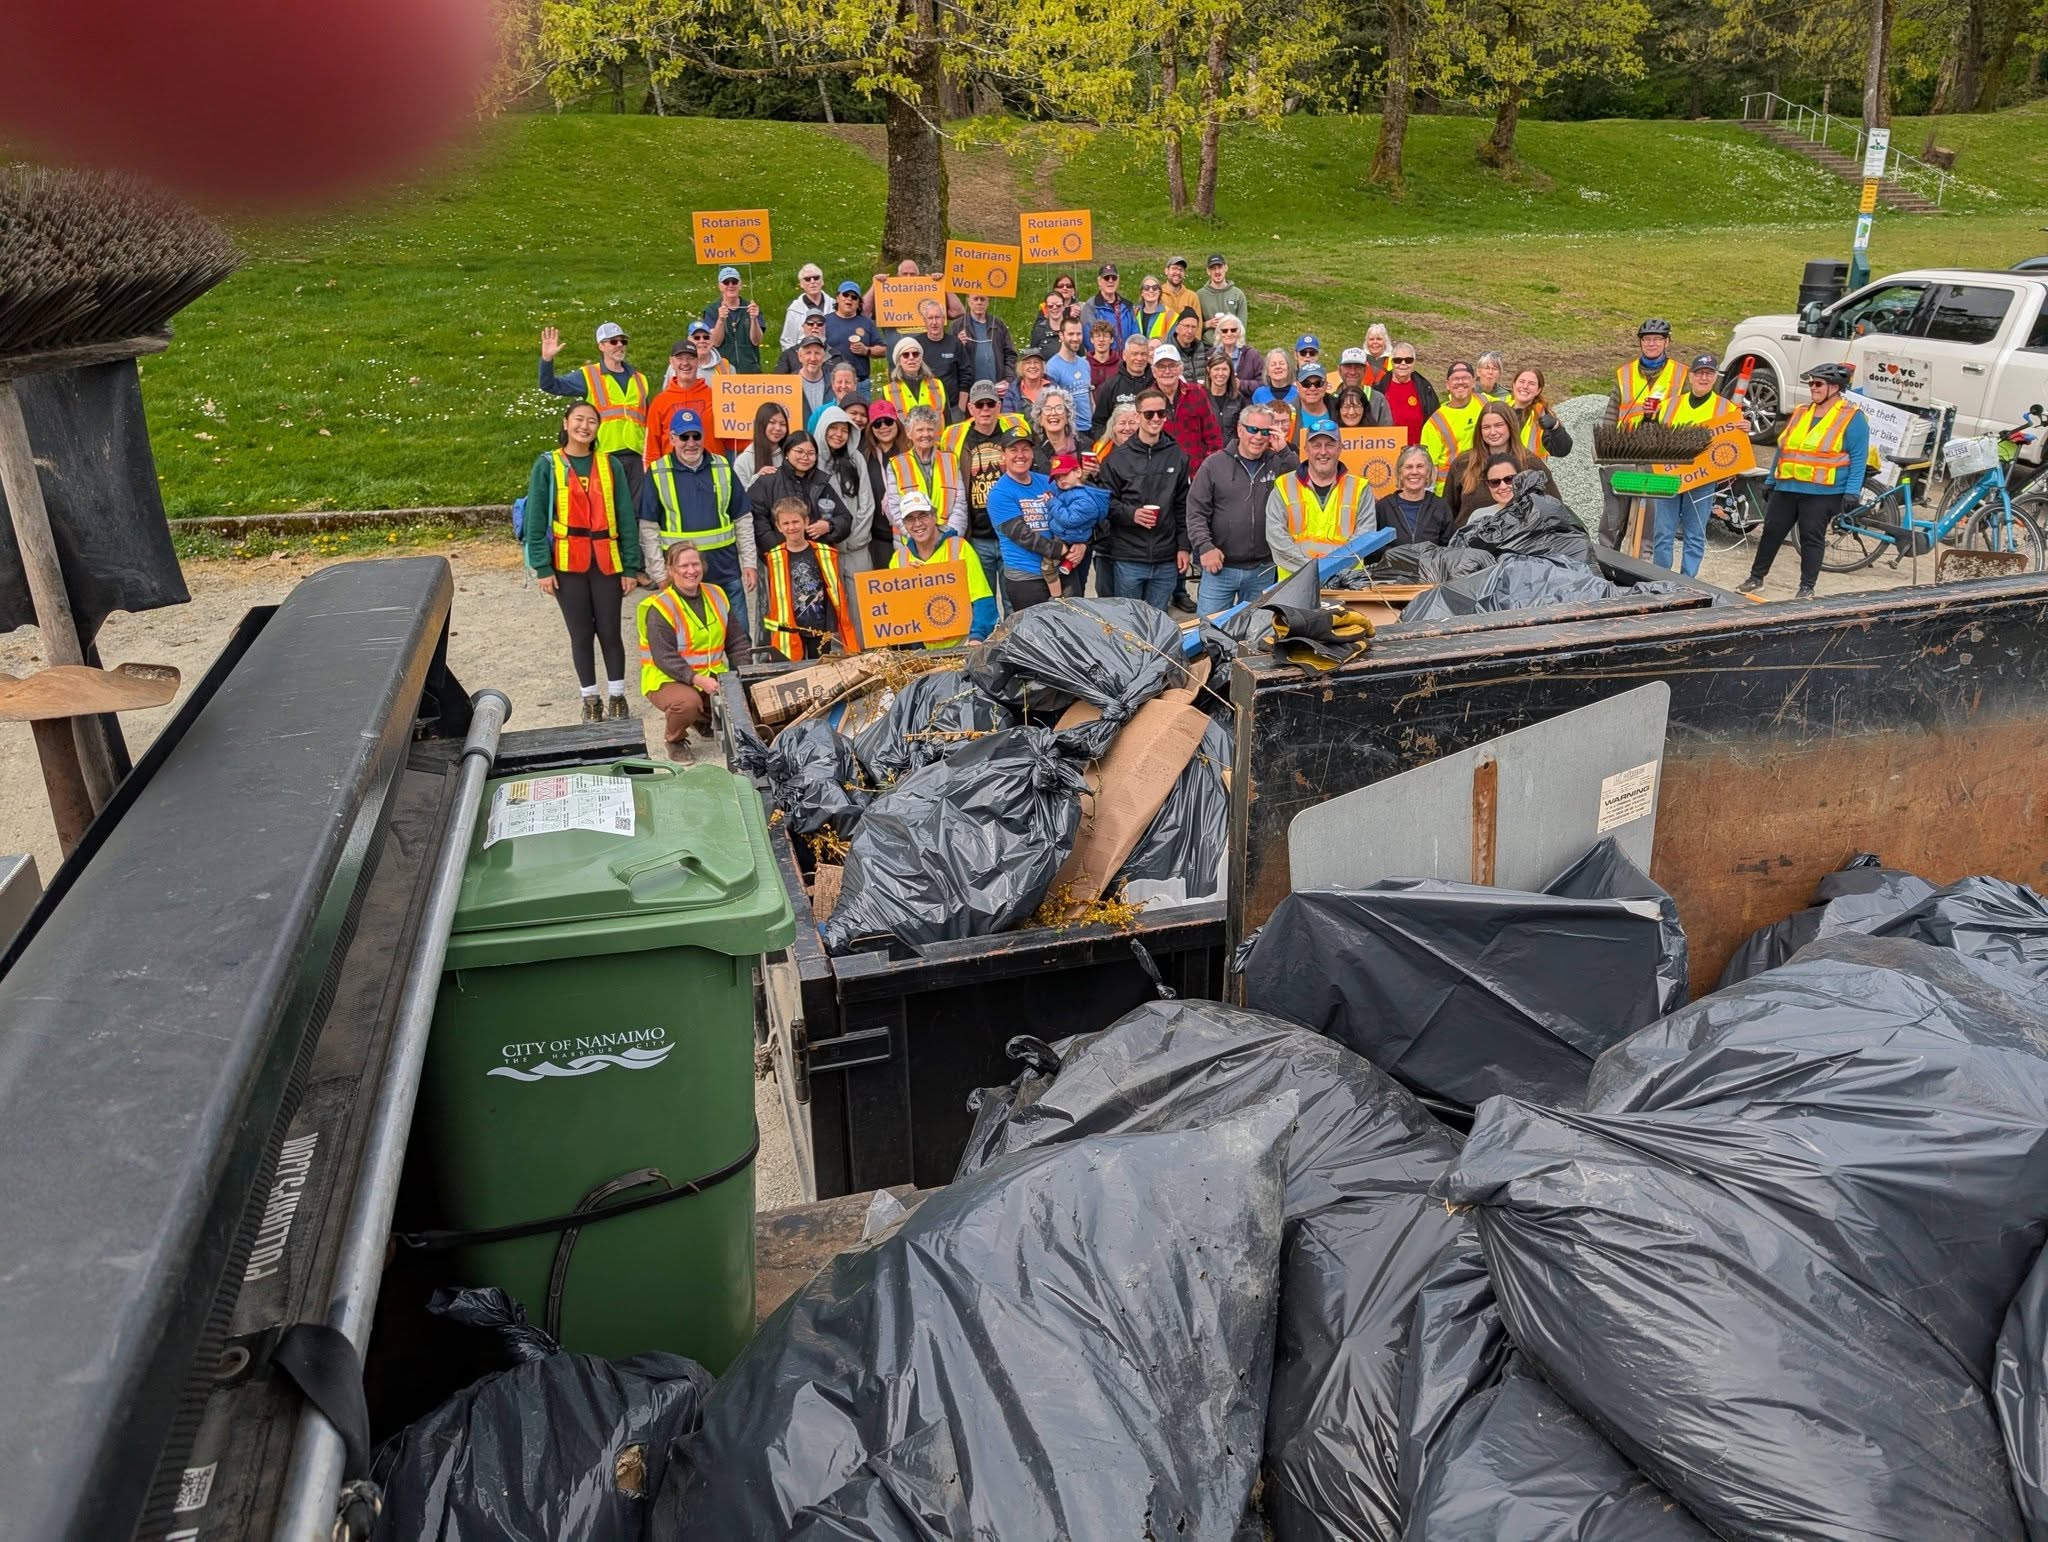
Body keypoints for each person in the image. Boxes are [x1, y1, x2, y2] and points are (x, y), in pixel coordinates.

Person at [523, 401, 640, 720]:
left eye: (591, 421)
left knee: (610, 631)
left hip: (606, 562)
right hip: (566, 563)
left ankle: (617, 695)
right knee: (580, 633)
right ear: (565, 423)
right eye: (579, 420)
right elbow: (536, 519)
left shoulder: (609, 464)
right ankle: (590, 699)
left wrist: (630, 566)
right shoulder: (548, 464)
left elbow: (626, 517)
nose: (584, 426)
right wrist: (542, 567)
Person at [1738, 362, 1866, 599]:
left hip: (1823, 492)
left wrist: (1852, 492)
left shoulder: (1852, 417)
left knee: (1811, 538)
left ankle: (1807, 587)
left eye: (1818, 384)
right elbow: (1783, 448)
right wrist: (1771, 480)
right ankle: (1756, 578)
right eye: (1811, 384)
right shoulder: (1801, 412)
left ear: (1835, 387)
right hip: (1788, 486)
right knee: (1771, 531)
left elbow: (1859, 458)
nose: (1813, 388)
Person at [638, 407, 756, 643]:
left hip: (725, 570)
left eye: (696, 436)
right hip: (683, 575)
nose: (690, 443)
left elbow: (742, 518)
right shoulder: (658, 472)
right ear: (672, 439)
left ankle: (741, 680)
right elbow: (648, 529)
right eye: (683, 437)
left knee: (739, 638)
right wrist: (660, 573)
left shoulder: (723, 467)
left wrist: (750, 563)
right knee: (690, 640)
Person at [637, 541, 748, 756]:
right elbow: (664, 657)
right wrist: (698, 680)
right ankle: (675, 740)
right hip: (665, 677)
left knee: (737, 697)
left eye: (695, 564)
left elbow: (736, 642)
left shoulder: (716, 594)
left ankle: (700, 718)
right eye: (684, 566)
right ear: (671, 570)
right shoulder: (660, 607)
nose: (691, 571)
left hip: (709, 675)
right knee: (687, 703)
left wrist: (742, 675)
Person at [1187, 403, 1290, 614]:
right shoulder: (1213, 465)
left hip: (1263, 568)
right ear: (1240, 429)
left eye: (1265, 431)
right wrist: (1205, 547)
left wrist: (1285, 450)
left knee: (1254, 634)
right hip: (1221, 567)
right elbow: (1196, 511)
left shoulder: (1276, 463)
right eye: (1253, 429)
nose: (1258, 437)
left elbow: (1300, 483)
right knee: (1208, 632)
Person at [988, 431, 1107, 610]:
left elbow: (1084, 511)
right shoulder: (999, 494)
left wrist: (1082, 544)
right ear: (1003, 455)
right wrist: (1061, 550)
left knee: (1071, 630)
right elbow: (1022, 536)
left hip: (1063, 570)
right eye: (1014, 450)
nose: (1020, 455)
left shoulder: (1049, 481)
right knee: (1035, 635)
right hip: (1026, 578)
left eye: (1026, 449)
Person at [1099, 387, 1192, 610]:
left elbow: (1183, 505)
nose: (1156, 419)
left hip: (1166, 556)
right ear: (1138, 416)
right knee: (1129, 623)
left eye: (1161, 413)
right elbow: (1105, 503)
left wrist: (1183, 547)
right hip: (1129, 556)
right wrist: (1132, 514)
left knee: (1157, 623)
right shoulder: (1117, 458)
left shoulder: (1177, 455)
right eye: (1149, 414)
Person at [1599, 318, 1681, 546]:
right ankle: (1605, 559)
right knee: (1613, 517)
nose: (1651, 344)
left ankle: (1641, 563)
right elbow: (1612, 412)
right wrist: (1606, 450)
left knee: (1648, 519)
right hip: (1625, 453)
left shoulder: (1681, 375)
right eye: (1647, 339)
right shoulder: (1625, 373)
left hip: (1659, 456)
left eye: (1657, 339)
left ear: (1667, 343)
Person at [1268, 416, 1375, 579]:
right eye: (1316, 445)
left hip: (1345, 583)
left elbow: (1364, 537)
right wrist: (1313, 571)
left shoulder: (1360, 488)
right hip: (1295, 583)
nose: (1323, 452)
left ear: (1340, 448)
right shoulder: (1283, 486)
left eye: (1330, 445)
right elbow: (1277, 538)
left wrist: (1332, 570)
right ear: (1306, 449)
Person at [942, 382, 1024, 597]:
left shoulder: (1016, 426)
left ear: (999, 406)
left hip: (1011, 533)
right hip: (978, 536)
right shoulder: (953, 436)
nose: (985, 409)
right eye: (980, 405)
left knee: (1012, 601)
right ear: (970, 408)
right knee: (983, 600)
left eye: (990, 404)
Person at [887, 492, 997, 648]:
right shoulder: (899, 559)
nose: (917, 524)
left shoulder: (959, 548)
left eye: (923, 516)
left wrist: (977, 636)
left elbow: (982, 598)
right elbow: (894, 612)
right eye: (910, 519)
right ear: (904, 524)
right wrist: (907, 582)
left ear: (934, 517)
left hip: (962, 643)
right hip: (920, 650)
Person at [760, 497, 860, 660]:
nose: (791, 527)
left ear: (806, 522)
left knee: (821, 672)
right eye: (786, 523)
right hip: (789, 629)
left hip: (819, 627)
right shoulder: (774, 558)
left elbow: (836, 595)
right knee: (793, 675)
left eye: (795, 522)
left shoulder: (826, 553)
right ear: (778, 527)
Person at [538, 322, 650, 464]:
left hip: (637, 456)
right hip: (604, 455)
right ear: (601, 346)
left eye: (623, 341)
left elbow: (649, 419)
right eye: (614, 341)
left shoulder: (640, 379)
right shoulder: (588, 375)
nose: (620, 345)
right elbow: (549, 385)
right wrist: (547, 360)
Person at [1444, 401, 1557, 524]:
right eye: (1486, 427)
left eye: (1498, 425)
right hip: (1469, 540)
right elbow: (1447, 512)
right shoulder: (1463, 464)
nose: (1492, 432)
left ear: (1510, 426)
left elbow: (1554, 509)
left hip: (1518, 541)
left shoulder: (1531, 465)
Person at [750, 430, 852, 564]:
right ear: (786, 452)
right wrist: (780, 548)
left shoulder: (821, 482)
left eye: (811, 453)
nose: (805, 457)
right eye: (799, 451)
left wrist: (829, 525)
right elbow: (757, 522)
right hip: (780, 559)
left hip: (818, 558)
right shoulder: (767, 482)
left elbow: (844, 517)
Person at [881, 404, 966, 537]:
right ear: (909, 433)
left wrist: (950, 534)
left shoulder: (951, 460)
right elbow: (895, 509)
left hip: (947, 539)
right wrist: (917, 537)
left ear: (936, 432)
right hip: (912, 543)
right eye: (920, 430)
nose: (925, 434)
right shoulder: (896, 464)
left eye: (930, 429)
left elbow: (960, 504)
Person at [815, 404, 879, 574]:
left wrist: (855, 538)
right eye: (833, 428)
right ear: (823, 429)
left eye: (844, 430)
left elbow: (866, 502)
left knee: (859, 598)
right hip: (826, 546)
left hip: (857, 547)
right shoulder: (812, 460)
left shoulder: (855, 459)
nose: (839, 434)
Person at [643, 339, 721, 464]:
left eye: (690, 358)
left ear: (697, 362)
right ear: (671, 362)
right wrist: (650, 480)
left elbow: (735, 440)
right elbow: (651, 449)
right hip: (673, 476)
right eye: (679, 358)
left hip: (711, 473)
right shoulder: (660, 402)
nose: (685, 363)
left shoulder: (716, 397)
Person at [1150, 344, 1222, 465]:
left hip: (1196, 473)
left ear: (1181, 369)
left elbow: (1213, 436)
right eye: (1161, 367)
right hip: (1160, 475)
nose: (1167, 371)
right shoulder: (1147, 400)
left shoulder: (1197, 393)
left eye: (1172, 366)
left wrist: (1209, 468)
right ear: (1153, 371)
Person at [1420, 360, 1486, 487]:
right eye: (1455, 379)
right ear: (1447, 385)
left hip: (1481, 483)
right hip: (1449, 489)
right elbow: (1429, 466)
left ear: (1473, 382)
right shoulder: (1435, 422)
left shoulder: (1484, 403)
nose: (1460, 382)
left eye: (1465, 378)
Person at [1379, 444, 1454, 548]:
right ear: (1400, 473)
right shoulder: (1383, 507)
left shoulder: (1440, 506)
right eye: (1408, 467)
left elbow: (1450, 550)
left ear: (1428, 472)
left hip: (1431, 564)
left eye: (1420, 466)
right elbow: (1374, 551)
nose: (1414, 472)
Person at [860, 401, 904, 567]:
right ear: (871, 428)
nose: (883, 427)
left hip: (909, 534)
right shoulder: (864, 456)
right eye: (877, 423)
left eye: (888, 421)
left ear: (897, 423)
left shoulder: (910, 451)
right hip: (879, 537)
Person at [703, 266, 764, 375]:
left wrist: (754, 319)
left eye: (734, 281)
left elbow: (756, 341)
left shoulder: (751, 308)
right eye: (726, 282)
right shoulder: (711, 311)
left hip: (750, 370)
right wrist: (721, 320)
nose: (730, 285)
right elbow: (716, 342)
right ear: (720, 286)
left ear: (740, 285)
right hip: (724, 370)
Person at [913, 300, 971, 413]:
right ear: (924, 321)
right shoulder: (915, 345)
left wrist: (960, 408)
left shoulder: (955, 343)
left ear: (944, 320)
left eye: (937, 317)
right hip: (924, 408)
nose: (934, 322)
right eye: (930, 318)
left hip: (952, 407)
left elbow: (966, 376)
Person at [955, 291, 1017, 395]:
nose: (979, 303)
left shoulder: (998, 324)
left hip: (997, 388)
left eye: (983, 299)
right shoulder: (958, 326)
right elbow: (950, 357)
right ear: (968, 301)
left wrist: (1009, 379)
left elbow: (1010, 354)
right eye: (975, 299)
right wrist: (958, 344)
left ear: (988, 302)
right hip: (969, 390)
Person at [1043, 316, 1096, 433]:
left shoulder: (1085, 363)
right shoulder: (1052, 367)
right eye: (1071, 334)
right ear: (1061, 335)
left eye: (1079, 334)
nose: (1075, 338)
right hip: (1069, 431)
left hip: (1089, 428)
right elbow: (1052, 403)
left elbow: (1089, 396)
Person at [1381, 342, 1438, 447]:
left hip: (1417, 451)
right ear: (1392, 362)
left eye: (1408, 360)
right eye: (1398, 360)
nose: (1403, 364)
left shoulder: (1425, 389)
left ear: (1414, 363)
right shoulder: (1379, 388)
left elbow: (1435, 421)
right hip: (1387, 452)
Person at [1509, 366, 1573, 459]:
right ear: (1514, 385)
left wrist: (1555, 428)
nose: (1525, 386)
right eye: (1522, 381)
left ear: (1538, 390)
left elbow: (1562, 450)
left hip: (1530, 471)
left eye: (1531, 384)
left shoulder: (1541, 416)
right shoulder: (1502, 409)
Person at [881, 334, 949, 420]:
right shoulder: (888, 391)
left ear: (921, 359)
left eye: (915, 354)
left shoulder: (938, 385)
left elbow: (948, 419)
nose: (911, 358)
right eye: (906, 355)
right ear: (899, 361)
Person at [1096, 332, 1157, 426]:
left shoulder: (1156, 383)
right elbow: (1099, 423)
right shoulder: (1110, 386)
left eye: (1143, 354)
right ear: (1124, 355)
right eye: (1134, 354)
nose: (1139, 358)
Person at [824, 280, 879, 382]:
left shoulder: (866, 323)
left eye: (854, 297)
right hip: (831, 381)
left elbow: (883, 349)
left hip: (860, 381)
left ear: (859, 303)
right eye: (845, 295)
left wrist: (867, 350)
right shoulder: (825, 322)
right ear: (837, 298)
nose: (849, 299)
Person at [1075, 263, 1138, 347]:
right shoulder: (1091, 307)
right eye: (1106, 278)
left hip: (1126, 358)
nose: (1110, 281)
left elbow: (1136, 336)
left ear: (1118, 280)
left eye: (1114, 278)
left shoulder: (1127, 306)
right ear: (1099, 281)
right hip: (1103, 358)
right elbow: (1089, 339)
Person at [1461, 454, 1530, 528]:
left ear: (1521, 478)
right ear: (1487, 485)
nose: (1503, 487)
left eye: (1509, 479)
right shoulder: (1478, 517)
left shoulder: (1535, 511)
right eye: (1495, 482)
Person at [731, 400, 788, 486]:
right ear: (761, 425)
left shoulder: (790, 455)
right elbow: (740, 496)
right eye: (772, 422)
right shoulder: (743, 461)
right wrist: (758, 478)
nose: (778, 428)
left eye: (783, 424)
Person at [1197, 254, 1248, 338]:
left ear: (1226, 268)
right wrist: (1207, 324)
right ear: (1208, 271)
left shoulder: (1238, 294)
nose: (1217, 272)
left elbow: (1242, 327)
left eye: (1220, 267)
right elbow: (1193, 327)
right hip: (1209, 347)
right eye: (1213, 268)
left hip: (1232, 345)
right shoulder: (1200, 295)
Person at [780, 262, 829, 349]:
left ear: (822, 281)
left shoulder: (834, 305)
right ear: (801, 284)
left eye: (816, 278)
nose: (812, 281)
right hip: (804, 357)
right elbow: (787, 341)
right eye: (807, 279)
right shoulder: (794, 310)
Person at [809, 360, 866, 434]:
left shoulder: (864, 411)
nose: (843, 386)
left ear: (855, 385)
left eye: (848, 382)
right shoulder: (820, 413)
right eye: (839, 382)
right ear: (833, 385)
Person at [1204, 350, 1248, 442]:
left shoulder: (1238, 399)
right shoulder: (1199, 397)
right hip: (1206, 453)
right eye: (1216, 369)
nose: (1220, 373)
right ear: (1209, 371)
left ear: (1230, 372)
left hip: (1231, 452)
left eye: (1224, 369)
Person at [1211, 314, 1262, 393]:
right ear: (1219, 333)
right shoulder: (1210, 355)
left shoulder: (1252, 355)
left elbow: (1263, 383)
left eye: (1233, 330)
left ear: (1239, 332)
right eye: (1224, 331)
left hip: (1243, 402)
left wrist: (1241, 384)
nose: (1229, 334)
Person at [773, 308, 830, 373]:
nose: (815, 326)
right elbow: (778, 380)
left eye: (820, 324)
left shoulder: (835, 356)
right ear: (803, 327)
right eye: (810, 323)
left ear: (825, 327)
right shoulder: (789, 355)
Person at [1001, 347, 1052, 418]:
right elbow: (1007, 418)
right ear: (1021, 367)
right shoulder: (1012, 391)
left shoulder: (1053, 387)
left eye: (1036, 362)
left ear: (1042, 366)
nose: (1032, 366)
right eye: (1028, 363)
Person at [791, 332, 831, 420]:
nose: (813, 358)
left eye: (817, 353)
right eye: (808, 353)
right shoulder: (789, 385)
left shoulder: (834, 383)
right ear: (800, 356)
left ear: (824, 357)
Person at [1094, 399, 1141, 463]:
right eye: (1122, 423)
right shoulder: (1101, 448)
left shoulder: (1147, 449)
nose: (1127, 428)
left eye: (1132, 423)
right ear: (1113, 426)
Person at [1086, 319, 1123, 396]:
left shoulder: (1121, 365)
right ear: (1092, 340)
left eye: (1105, 336)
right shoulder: (1084, 364)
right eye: (1097, 336)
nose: (1101, 340)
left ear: (1112, 339)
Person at [1029, 286, 1068, 353]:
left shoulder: (1072, 327)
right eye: (1050, 306)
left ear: (1064, 306)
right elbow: (1033, 356)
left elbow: (1081, 355)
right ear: (1046, 308)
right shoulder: (1039, 330)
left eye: (1058, 305)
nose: (1054, 308)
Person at [1170, 309, 1209, 374]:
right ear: (1177, 328)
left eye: (1193, 327)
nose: (1190, 331)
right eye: (1186, 326)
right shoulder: (1169, 351)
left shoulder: (1201, 348)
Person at [1159, 255, 1197, 323]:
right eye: (1174, 268)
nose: (1178, 272)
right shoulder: (1158, 294)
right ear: (1166, 271)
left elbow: (1198, 325)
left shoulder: (1192, 297)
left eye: (1181, 269)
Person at [1135, 274, 1174, 340]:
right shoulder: (1133, 313)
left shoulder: (1170, 315)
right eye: (1146, 288)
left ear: (1159, 292)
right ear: (1142, 292)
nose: (1151, 290)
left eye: (1155, 288)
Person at [1359, 324, 1394, 390]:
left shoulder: (1394, 361)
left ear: (1385, 341)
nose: (1375, 342)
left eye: (1379, 339)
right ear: (1367, 342)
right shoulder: (1359, 359)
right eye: (1371, 339)